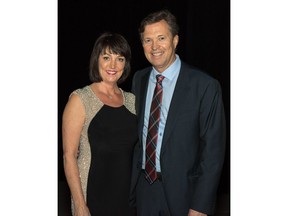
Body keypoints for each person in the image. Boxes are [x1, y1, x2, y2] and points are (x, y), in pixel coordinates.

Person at [129, 9, 226, 216]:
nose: (154, 46)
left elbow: (213, 153)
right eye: (148, 40)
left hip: (185, 194)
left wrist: (200, 205)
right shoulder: (139, 79)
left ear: (175, 40)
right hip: (144, 190)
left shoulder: (204, 85)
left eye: (161, 38)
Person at [62, 32, 138, 216]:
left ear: (125, 64)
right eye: (106, 57)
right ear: (97, 60)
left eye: (119, 59)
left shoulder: (132, 101)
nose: (113, 65)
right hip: (92, 199)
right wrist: (80, 205)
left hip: (128, 201)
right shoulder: (80, 99)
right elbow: (69, 156)